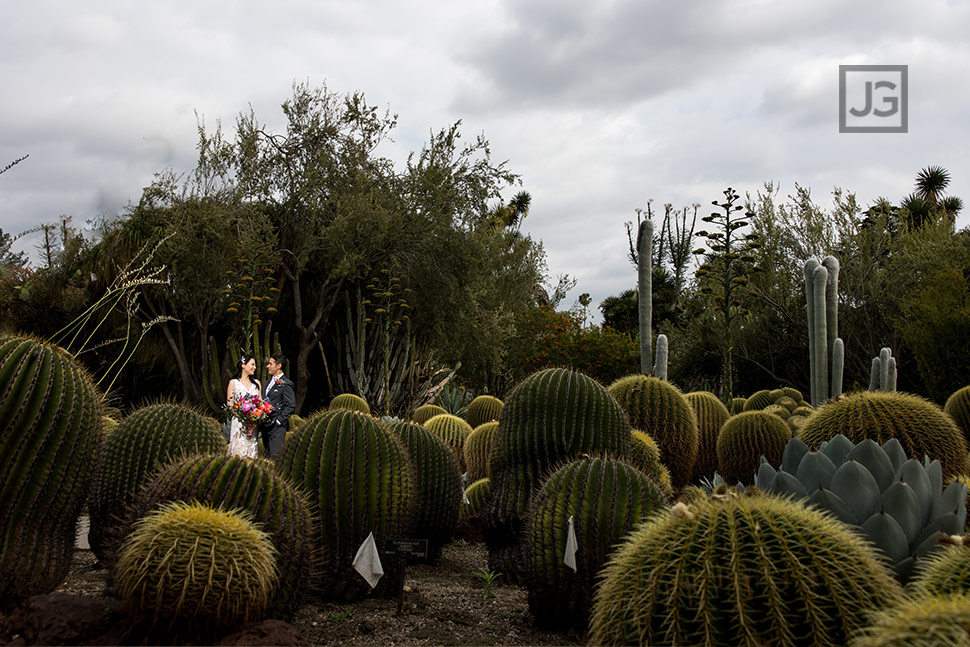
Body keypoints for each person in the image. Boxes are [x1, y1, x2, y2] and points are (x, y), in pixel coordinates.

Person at [260, 353, 296, 459]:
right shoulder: (266, 383)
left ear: (278, 366)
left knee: (275, 457)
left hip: (277, 428)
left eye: (270, 364)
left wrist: (279, 420)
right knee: (267, 456)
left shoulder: (286, 384)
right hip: (265, 426)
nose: (268, 366)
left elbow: (291, 404)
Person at [226, 355, 261, 459]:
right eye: (252, 364)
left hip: (253, 425)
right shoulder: (234, 383)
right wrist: (243, 417)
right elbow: (230, 403)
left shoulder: (257, 384)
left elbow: (260, 403)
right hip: (239, 424)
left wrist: (254, 417)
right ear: (243, 365)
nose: (254, 367)